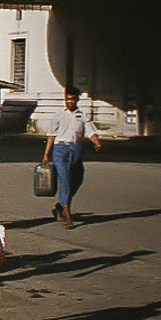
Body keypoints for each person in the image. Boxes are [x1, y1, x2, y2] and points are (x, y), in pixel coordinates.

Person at [41, 85, 102, 230]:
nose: (70, 102)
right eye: (68, 99)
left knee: (78, 179)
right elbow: (51, 136)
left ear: (77, 100)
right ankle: (68, 216)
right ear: (65, 99)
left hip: (76, 149)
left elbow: (90, 130)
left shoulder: (82, 115)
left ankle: (61, 205)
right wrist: (46, 155)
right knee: (65, 181)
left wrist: (96, 141)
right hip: (60, 150)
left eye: (73, 99)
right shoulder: (58, 116)